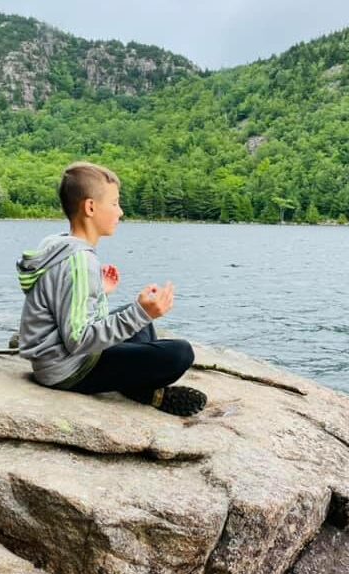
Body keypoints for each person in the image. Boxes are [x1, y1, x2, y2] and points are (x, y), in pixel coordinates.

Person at [16, 161, 207, 417]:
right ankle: (143, 390)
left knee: (139, 323)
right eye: (115, 203)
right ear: (90, 207)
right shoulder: (80, 262)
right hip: (69, 369)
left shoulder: (58, 245)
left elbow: (61, 304)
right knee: (180, 353)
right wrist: (142, 312)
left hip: (59, 360)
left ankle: (133, 382)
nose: (121, 212)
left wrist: (100, 292)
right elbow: (78, 340)